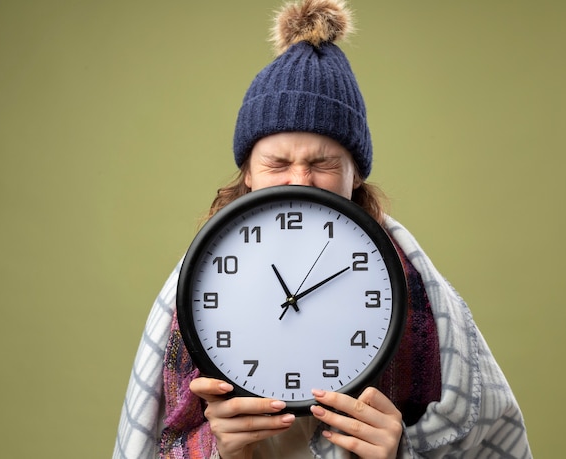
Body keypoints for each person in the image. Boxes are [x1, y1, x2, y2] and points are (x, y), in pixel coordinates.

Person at [113, 1, 532, 458]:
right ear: (248, 172)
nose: (299, 180)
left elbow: (483, 436)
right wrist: (221, 450)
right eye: (277, 163)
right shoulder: (195, 284)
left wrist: (398, 452)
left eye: (321, 164)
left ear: (355, 176)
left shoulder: (416, 287)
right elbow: (161, 442)